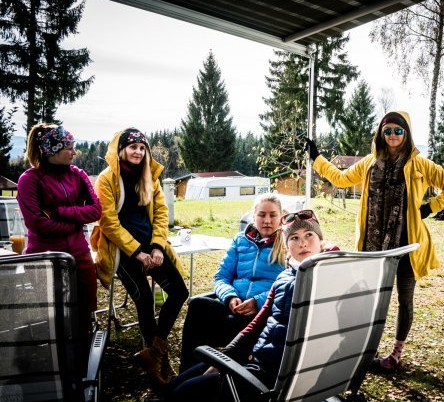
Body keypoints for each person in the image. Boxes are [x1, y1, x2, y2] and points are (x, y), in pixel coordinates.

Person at [304, 111, 444, 372]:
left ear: (407, 133)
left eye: (398, 131)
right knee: (373, 301)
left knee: (405, 299)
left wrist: (430, 207)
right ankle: (370, 349)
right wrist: (316, 158)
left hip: (407, 246)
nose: (392, 136)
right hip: (373, 249)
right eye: (387, 131)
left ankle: (396, 353)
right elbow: (342, 179)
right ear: (380, 133)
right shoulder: (369, 162)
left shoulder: (420, 164)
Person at [166, 209, 337, 402]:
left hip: (271, 376)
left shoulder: (325, 277)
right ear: (287, 245)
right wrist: (226, 356)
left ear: (320, 240)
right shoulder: (284, 277)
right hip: (253, 357)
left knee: (182, 393)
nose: (303, 243)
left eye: (309, 235)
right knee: (176, 384)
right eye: (294, 238)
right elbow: (257, 323)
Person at [92, 128, 189, 385]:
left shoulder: (151, 177)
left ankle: (153, 353)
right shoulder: (106, 178)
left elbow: (160, 213)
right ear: (121, 149)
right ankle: (158, 363)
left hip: (151, 246)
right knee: (144, 299)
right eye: (132, 146)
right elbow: (108, 222)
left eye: (142, 147)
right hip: (122, 250)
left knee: (179, 291)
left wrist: (157, 247)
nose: (138, 151)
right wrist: (136, 251)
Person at [17, 123, 102, 366]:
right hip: (45, 257)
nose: (74, 152)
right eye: (70, 148)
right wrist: (75, 222)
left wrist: (60, 212)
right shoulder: (29, 180)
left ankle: (84, 362)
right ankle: (58, 365)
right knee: (54, 315)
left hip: (81, 256)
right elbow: (36, 223)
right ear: (51, 150)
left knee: (84, 311)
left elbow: (96, 210)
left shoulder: (78, 174)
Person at [179, 193, 285, 372]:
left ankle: (209, 375)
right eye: (262, 215)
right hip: (234, 307)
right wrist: (229, 296)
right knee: (198, 305)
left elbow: (286, 286)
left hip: (260, 315)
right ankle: (188, 372)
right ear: (254, 216)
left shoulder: (286, 245)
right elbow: (221, 276)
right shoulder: (240, 240)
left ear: (281, 218)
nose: (267, 220)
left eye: (273, 215)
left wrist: (258, 302)